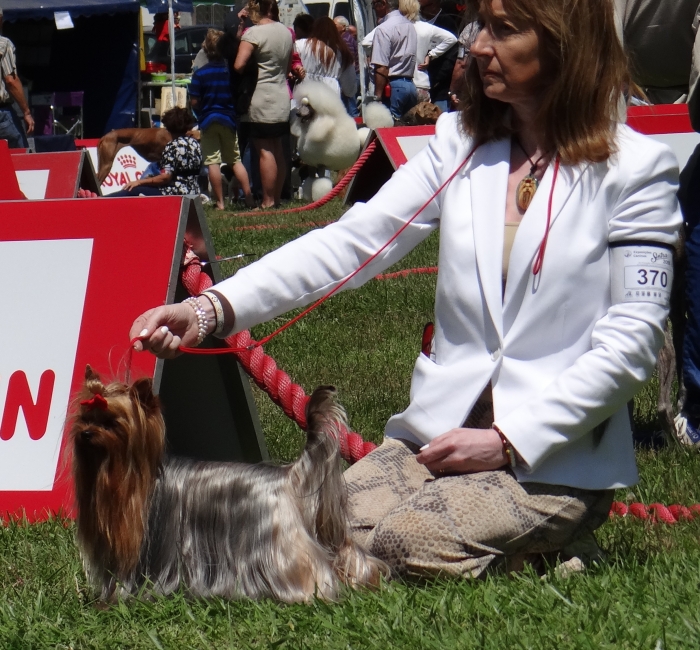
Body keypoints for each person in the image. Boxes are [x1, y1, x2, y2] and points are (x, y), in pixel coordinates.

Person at [130, 0, 681, 578]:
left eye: (505, 30)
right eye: (482, 26)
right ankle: (532, 554)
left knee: (399, 543)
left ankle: (564, 550)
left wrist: (509, 440)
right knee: (303, 527)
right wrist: (210, 308)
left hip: (552, 461)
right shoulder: (459, 144)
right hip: (435, 442)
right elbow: (351, 242)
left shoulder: (637, 171)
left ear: (566, 42)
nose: (478, 46)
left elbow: (630, 346)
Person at [234, 0, 293, 209]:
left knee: (264, 150)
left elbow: (238, 65)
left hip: (261, 96)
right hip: (281, 95)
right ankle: (276, 198)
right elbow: (287, 69)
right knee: (278, 148)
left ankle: (267, 201)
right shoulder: (286, 32)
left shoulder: (253, 34)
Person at [190, 29, 254, 210]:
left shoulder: (200, 74)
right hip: (229, 119)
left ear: (206, 49)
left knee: (213, 162)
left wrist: (201, 110)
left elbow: (194, 101)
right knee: (235, 160)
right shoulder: (229, 72)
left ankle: (220, 202)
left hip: (208, 120)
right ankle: (249, 198)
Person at [111, 107, 202, 197]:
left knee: (131, 190)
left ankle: (104, 201)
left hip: (174, 193)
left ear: (168, 127)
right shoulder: (195, 144)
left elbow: (165, 178)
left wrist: (139, 182)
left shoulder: (172, 146)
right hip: (193, 191)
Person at [401, 0, 457, 107]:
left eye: (423, 8)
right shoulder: (420, 23)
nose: (421, 11)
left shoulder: (446, 22)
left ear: (434, 4)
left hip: (439, 86)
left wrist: (431, 56)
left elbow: (451, 54)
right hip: (421, 81)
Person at [370, 0, 418, 119]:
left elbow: (381, 66)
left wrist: (377, 97)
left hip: (393, 87)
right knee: (408, 128)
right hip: (410, 85)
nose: (373, 8)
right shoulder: (410, 26)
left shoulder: (384, 28)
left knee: (388, 126)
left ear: (383, 3)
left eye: (374, 4)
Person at [295, 17, 356, 101]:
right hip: (330, 96)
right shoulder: (342, 52)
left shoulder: (301, 45)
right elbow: (349, 88)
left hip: (306, 92)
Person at [0, 8, 34, 148]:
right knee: (19, 154)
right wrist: (26, 112)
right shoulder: (3, 44)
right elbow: (11, 80)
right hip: (1, 113)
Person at [334, 16, 360, 117]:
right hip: (350, 76)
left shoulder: (345, 40)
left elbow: (350, 61)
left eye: (335, 25)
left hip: (349, 77)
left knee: (350, 105)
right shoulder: (345, 39)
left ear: (343, 27)